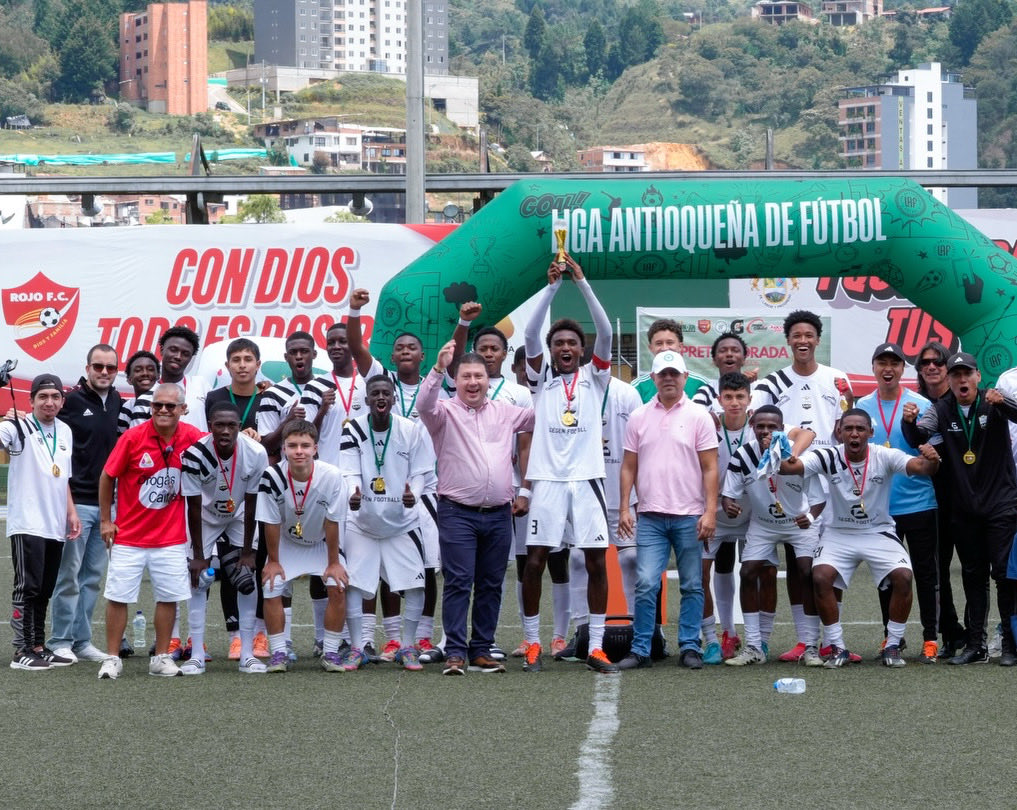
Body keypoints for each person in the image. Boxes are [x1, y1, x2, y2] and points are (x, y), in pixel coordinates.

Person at [519, 254, 619, 675]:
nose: (564, 348)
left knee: (596, 561)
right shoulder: (541, 379)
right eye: (558, 342)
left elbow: (608, 330)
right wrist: (553, 287)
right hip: (547, 482)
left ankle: (595, 646)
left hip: (588, 482)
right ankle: (531, 644)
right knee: (536, 560)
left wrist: (582, 283)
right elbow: (528, 331)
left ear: (582, 351)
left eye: (571, 343)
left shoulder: (596, 378)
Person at [781, 409, 940, 667]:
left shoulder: (883, 455)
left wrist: (932, 460)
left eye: (860, 429)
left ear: (870, 432)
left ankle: (892, 646)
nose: (854, 434)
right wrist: (786, 455)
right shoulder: (827, 455)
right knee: (819, 576)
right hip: (838, 533)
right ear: (839, 432)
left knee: (904, 576)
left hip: (878, 531)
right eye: (848, 429)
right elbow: (793, 468)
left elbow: (922, 467)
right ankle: (837, 647)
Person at [417, 340, 534, 675]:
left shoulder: (505, 411)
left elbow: (542, 414)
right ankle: (454, 651)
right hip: (457, 512)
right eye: (466, 376)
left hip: (499, 513)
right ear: (456, 379)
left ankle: (481, 648)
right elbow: (424, 403)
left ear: (488, 379)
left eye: (478, 376)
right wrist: (438, 368)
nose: (473, 382)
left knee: (490, 583)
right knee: (458, 581)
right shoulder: (443, 412)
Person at [750, 309, 853, 663]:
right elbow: (761, 432)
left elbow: (846, 430)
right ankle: (805, 639)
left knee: (831, 562)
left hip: (831, 482)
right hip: (791, 484)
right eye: (797, 335)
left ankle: (831, 639)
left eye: (809, 335)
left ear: (818, 340)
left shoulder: (838, 379)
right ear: (788, 340)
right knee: (798, 564)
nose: (803, 341)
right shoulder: (771, 383)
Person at [902, 352, 1017, 666]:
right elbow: (918, 437)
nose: (961, 380)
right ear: (949, 380)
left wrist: (1005, 403)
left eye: (967, 374)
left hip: (1000, 505)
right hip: (964, 508)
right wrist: (908, 421)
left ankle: (1010, 644)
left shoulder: (994, 403)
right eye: (956, 375)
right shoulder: (940, 409)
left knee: (1004, 576)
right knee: (972, 576)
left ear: (978, 377)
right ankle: (975, 645)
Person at [346, 290, 441, 661]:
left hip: (419, 500)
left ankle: (414, 642)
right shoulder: (380, 379)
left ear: (422, 355)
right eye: (398, 347)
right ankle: (366, 643)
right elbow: (356, 347)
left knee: (422, 570)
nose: (404, 351)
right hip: (370, 505)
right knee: (365, 578)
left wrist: (414, 493)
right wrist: (355, 308)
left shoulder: (434, 386)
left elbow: (422, 469)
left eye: (411, 347)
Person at [616, 350, 717, 670]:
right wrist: (624, 508)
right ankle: (642, 647)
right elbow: (628, 466)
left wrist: (710, 511)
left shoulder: (699, 416)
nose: (669, 378)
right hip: (650, 516)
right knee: (646, 582)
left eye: (675, 373)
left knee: (691, 584)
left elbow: (711, 467)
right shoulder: (639, 416)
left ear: (685, 378)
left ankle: (690, 646)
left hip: (689, 515)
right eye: (663, 374)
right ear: (655, 379)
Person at [450, 308, 542, 661]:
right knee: (460, 576)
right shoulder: (459, 390)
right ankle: (454, 644)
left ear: (505, 353)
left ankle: (494, 641)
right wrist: (463, 324)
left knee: (501, 572)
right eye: (482, 348)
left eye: (495, 349)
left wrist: (525, 487)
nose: (489, 354)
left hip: (508, 493)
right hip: (462, 495)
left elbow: (526, 443)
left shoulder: (517, 393)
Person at [97, 382, 205, 680]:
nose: (163, 410)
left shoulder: (193, 438)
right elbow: (107, 476)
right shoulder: (133, 437)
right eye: (158, 405)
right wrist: (106, 520)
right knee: (118, 596)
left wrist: (249, 435)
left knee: (168, 597)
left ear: (183, 409)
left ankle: (160, 657)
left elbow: (222, 447)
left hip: (170, 537)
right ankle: (112, 657)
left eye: (170, 406)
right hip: (129, 536)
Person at [339, 376, 433, 671]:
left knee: (415, 586)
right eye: (375, 393)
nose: (381, 397)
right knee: (354, 586)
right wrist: (353, 493)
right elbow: (349, 472)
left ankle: (407, 647)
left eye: (386, 393)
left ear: (393, 399)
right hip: (362, 524)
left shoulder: (410, 429)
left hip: (402, 523)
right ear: (366, 400)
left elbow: (421, 472)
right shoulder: (352, 429)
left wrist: (413, 495)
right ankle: (357, 648)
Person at [857, 343, 940, 663]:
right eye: (882, 362)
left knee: (925, 573)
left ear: (903, 369)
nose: (888, 368)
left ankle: (930, 639)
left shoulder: (920, 404)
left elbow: (933, 453)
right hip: (880, 508)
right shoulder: (862, 407)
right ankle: (891, 638)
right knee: (886, 576)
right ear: (874, 367)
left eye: (894, 363)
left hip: (919, 502)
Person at [721, 406, 821, 666]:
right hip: (763, 524)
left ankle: (810, 645)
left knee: (807, 573)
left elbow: (819, 499)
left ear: (782, 428)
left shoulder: (797, 455)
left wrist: (809, 517)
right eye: (760, 426)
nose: (766, 431)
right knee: (747, 572)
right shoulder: (742, 455)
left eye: (772, 427)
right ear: (752, 426)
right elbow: (728, 493)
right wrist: (728, 504)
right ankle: (754, 646)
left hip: (798, 522)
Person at [46, 345, 122, 664]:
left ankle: (81, 640)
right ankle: (59, 640)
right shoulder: (71, 402)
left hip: (107, 507)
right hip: (75, 504)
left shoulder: (119, 401)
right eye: (98, 367)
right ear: (87, 367)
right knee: (69, 575)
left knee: (92, 577)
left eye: (110, 368)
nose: (104, 373)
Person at [181, 400, 268, 675]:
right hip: (204, 517)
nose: (226, 430)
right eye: (219, 425)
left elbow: (253, 502)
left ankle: (246, 654)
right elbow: (193, 506)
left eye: (232, 425)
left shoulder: (255, 452)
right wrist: (198, 556)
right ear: (210, 427)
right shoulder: (194, 454)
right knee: (198, 579)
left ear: (240, 427)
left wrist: (247, 552)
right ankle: (196, 654)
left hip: (240, 513)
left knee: (247, 576)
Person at [300, 321, 371, 655]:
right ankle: (321, 635)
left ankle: (361, 638)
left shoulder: (367, 382)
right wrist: (323, 408)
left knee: (356, 559)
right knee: (321, 559)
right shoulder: (315, 387)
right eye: (332, 342)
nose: (337, 346)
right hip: (324, 482)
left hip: (359, 483)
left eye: (343, 340)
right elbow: (302, 435)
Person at [256, 419, 350, 672]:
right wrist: (273, 561)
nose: (299, 451)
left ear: (316, 448)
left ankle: (330, 652)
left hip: (322, 543)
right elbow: (271, 522)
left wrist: (333, 563)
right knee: (271, 584)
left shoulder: (332, 476)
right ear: (283, 449)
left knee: (338, 584)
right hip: (287, 543)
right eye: (293, 445)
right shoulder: (271, 475)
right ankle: (279, 653)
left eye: (305, 446)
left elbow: (333, 522)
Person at [3, 374, 81, 671]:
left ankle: (38, 645)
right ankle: (21, 650)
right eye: (43, 397)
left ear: (62, 401)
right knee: (28, 587)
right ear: (31, 400)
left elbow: (63, 477)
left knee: (46, 587)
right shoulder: (16, 426)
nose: (49, 402)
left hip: (54, 523)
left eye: (55, 397)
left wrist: (70, 512)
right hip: (27, 522)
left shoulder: (64, 430)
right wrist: (7, 419)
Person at [255, 330, 318, 661]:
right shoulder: (272, 395)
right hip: (284, 487)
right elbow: (265, 443)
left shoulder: (328, 390)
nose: (299, 357)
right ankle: (286, 643)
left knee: (324, 567)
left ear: (313, 355)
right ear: (286, 356)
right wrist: (287, 421)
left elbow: (323, 438)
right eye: (293, 352)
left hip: (321, 486)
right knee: (284, 565)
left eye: (304, 352)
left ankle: (324, 640)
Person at [200, 337, 264, 660]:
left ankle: (246, 638)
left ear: (257, 364)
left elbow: (275, 440)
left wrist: (258, 437)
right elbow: (206, 443)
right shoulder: (214, 397)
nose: (241, 364)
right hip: (214, 495)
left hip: (247, 494)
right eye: (235, 359)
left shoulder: (266, 395)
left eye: (247, 359)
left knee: (245, 567)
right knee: (207, 569)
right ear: (227, 366)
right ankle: (197, 640)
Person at [913, 340, 966, 659]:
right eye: (925, 363)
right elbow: (913, 439)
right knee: (938, 571)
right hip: (932, 502)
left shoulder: (962, 398)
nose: (932, 366)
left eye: (938, 362)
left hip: (971, 499)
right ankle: (951, 633)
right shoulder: (917, 404)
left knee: (979, 570)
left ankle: (980, 635)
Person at [701, 372, 753, 664]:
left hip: (751, 518)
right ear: (719, 399)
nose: (734, 403)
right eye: (729, 397)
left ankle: (755, 640)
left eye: (740, 397)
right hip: (714, 515)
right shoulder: (707, 425)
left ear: (749, 399)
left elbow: (800, 433)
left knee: (753, 574)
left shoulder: (758, 425)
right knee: (699, 575)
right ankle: (714, 638)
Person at [124, 326, 209, 431]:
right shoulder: (145, 399)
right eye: (173, 350)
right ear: (162, 350)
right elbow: (138, 441)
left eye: (185, 354)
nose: (178, 356)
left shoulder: (201, 385)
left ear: (191, 358)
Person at [631, 318, 709, 404]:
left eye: (670, 342)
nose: (665, 348)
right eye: (659, 343)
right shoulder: (636, 388)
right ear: (651, 348)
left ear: (680, 346)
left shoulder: (701, 384)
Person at [691, 331, 760, 411]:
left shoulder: (760, 388)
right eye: (723, 351)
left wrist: (744, 382)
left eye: (735, 350)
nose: (729, 354)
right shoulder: (707, 391)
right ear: (714, 360)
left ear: (744, 359)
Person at [117, 350, 159, 435]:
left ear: (158, 375)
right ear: (129, 379)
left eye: (150, 369)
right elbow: (120, 438)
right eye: (138, 370)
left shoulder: (165, 399)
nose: (145, 373)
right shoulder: (127, 406)